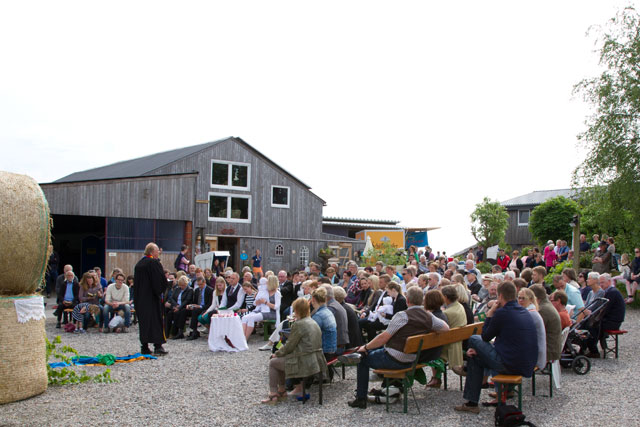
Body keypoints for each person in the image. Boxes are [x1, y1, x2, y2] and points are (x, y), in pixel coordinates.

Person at [343, 286, 449, 409]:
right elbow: (446, 328)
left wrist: (366, 347)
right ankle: (377, 383)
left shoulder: (403, 316)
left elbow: (384, 337)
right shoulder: (428, 316)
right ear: (422, 300)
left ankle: (361, 398)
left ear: (407, 300)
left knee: (362, 358)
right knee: (373, 350)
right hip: (412, 358)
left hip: (396, 358)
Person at [454, 282, 537, 413]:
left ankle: (466, 370)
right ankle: (471, 403)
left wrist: (490, 313)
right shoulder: (523, 311)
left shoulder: (502, 313)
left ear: (500, 296)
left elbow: (485, 336)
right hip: (526, 363)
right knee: (475, 358)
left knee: (474, 338)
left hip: (509, 364)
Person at [262, 298, 327, 404]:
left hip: (304, 362)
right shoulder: (312, 321)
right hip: (316, 360)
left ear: (296, 310)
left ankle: (273, 393)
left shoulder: (299, 324)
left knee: (273, 363)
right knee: (279, 360)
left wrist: (276, 354)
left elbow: (289, 346)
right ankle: (281, 390)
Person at [434, 286, 466, 387]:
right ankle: (435, 378)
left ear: (446, 297)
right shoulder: (460, 306)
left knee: (430, 347)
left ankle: (435, 378)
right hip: (458, 342)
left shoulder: (447, 313)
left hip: (448, 347)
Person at [530, 284, 563, 363]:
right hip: (552, 347)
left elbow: (534, 331)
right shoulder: (546, 305)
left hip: (549, 351)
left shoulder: (543, 309)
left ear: (535, 298)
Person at [242, 275, 280, 339]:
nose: (266, 283)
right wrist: (257, 302)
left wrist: (265, 302)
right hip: (262, 311)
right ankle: (242, 338)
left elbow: (276, 307)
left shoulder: (277, 293)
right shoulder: (265, 291)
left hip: (271, 313)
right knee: (244, 318)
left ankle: (245, 339)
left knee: (251, 318)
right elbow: (255, 303)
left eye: (268, 282)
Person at [310, 287, 338, 359]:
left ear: (313, 299)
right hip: (331, 349)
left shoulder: (318, 316)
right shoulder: (327, 311)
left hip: (324, 352)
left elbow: (310, 334)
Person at [185, 276, 214, 340]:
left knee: (195, 311)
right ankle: (185, 331)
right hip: (197, 307)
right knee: (185, 310)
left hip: (205, 307)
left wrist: (200, 306)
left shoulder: (210, 290)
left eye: (201, 284)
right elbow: (195, 302)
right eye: (198, 284)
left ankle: (194, 331)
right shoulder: (197, 290)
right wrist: (191, 305)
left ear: (205, 282)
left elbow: (210, 304)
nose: (200, 286)